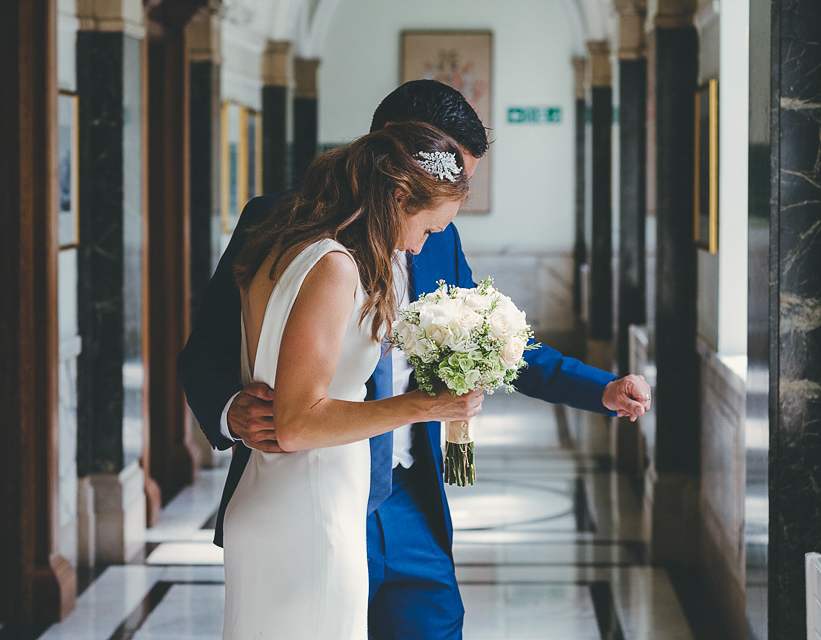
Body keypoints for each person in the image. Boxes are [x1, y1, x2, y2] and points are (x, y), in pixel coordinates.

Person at [178, 80, 652, 639]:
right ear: (399, 163)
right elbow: (205, 347)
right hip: (308, 492)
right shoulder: (280, 222)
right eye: (451, 173)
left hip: (409, 498)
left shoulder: (438, 240)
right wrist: (231, 409)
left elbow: (493, 340)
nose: (454, 198)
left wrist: (596, 388)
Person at [219, 122, 482, 638]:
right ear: (400, 196)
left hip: (273, 498)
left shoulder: (285, 243)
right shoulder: (336, 266)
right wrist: (423, 406)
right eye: (428, 229)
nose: (419, 247)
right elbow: (295, 424)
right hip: (311, 511)